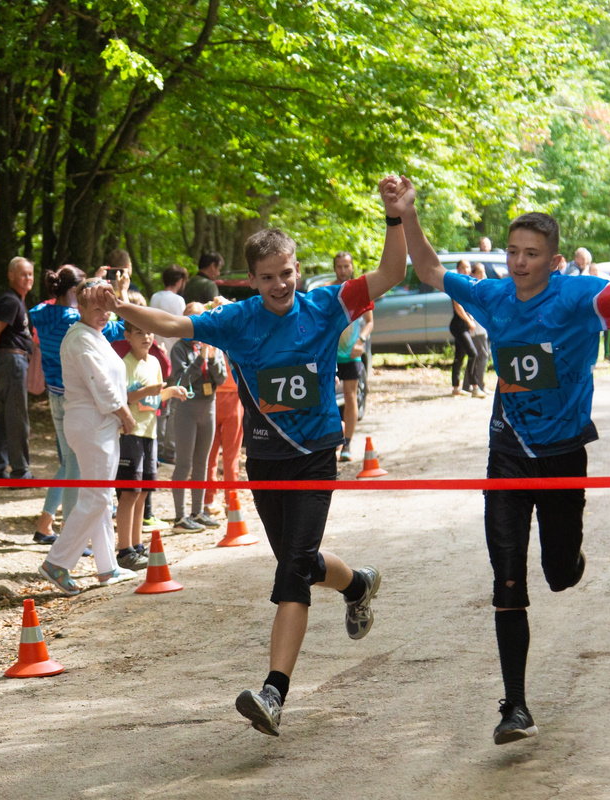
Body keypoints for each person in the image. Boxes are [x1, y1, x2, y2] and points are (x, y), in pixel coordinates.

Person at [394, 172, 610, 745]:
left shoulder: (577, 295)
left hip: (564, 452)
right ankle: (515, 707)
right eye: (514, 252)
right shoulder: (493, 295)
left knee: (559, 573)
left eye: (531, 255)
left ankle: (570, 560)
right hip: (509, 454)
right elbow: (426, 270)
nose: (518, 263)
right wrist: (407, 212)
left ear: (555, 260)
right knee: (508, 577)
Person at [87, 185, 410, 737]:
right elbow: (170, 327)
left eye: (286, 273)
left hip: (313, 458)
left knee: (292, 571)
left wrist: (394, 216)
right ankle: (357, 585)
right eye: (267, 277)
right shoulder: (237, 319)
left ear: (297, 269)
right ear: (253, 280)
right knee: (299, 561)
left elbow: (391, 273)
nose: (279, 284)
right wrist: (121, 306)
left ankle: (273, 693)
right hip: (265, 460)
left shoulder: (326, 304)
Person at [37, 278, 140, 595]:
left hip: (98, 423)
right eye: (95, 308)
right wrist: (125, 414)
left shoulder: (94, 335)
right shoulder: (80, 338)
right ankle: (57, 562)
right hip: (92, 423)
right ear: (79, 307)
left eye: (106, 309)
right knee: (96, 496)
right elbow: (101, 385)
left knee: (101, 495)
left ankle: (107, 566)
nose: (103, 314)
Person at [115, 319, 188, 568]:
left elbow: (156, 397)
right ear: (128, 336)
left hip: (150, 434)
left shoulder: (155, 362)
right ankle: (124, 550)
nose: (145, 337)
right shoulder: (124, 364)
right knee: (129, 492)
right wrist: (149, 391)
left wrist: (173, 391)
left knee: (143, 491)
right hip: (130, 433)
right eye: (138, 332)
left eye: (148, 332)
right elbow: (123, 398)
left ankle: (137, 545)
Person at [29, 265, 88, 545]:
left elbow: (43, 308)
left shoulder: (41, 314)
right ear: (74, 291)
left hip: (54, 395)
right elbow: (112, 327)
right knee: (74, 467)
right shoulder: (74, 320)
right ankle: (70, 537)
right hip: (73, 398)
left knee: (67, 464)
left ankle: (45, 524)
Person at [168, 303, 228, 532]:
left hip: (209, 406)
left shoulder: (212, 344)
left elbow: (221, 379)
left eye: (200, 320)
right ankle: (180, 517)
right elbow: (181, 381)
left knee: (203, 461)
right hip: (186, 408)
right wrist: (200, 359)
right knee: (184, 462)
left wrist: (211, 358)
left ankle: (198, 511)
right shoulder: (179, 348)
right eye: (192, 320)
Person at [0, 256, 36, 480]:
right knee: (17, 417)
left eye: (30, 274)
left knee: (7, 415)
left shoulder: (18, 301)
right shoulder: (10, 301)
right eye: (23, 274)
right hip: (12, 362)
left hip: (14, 362)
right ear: (11, 275)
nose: (28, 278)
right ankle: (21, 471)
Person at [331, 252, 374, 459]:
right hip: (329, 355)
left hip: (351, 353)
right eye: (339, 266)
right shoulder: (329, 290)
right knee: (326, 399)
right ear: (334, 268)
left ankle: (347, 445)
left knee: (350, 396)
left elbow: (370, 322)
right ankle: (331, 442)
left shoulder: (359, 291)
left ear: (352, 267)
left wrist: (361, 341)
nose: (342, 270)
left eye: (346, 266)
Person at [150, 265, 188, 466]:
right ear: (180, 281)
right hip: (175, 356)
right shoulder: (179, 301)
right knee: (173, 403)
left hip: (156, 354)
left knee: (157, 401)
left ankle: (154, 447)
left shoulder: (155, 297)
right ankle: (169, 448)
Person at [203, 354, 243, 516]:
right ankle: (231, 501)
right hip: (232, 399)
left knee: (208, 455)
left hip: (210, 398)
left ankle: (208, 501)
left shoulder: (210, 337)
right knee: (231, 456)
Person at [449, 260, 480, 397]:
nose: (466, 270)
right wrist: (469, 321)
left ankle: (456, 388)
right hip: (458, 325)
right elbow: (457, 306)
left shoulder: (467, 284)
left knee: (459, 356)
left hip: (463, 325)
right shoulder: (457, 284)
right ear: (458, 269)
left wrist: (471, 316)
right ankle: (474, 387)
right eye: (463, 267)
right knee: (473, 353)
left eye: (468, 267)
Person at [466, 263, 492, 395]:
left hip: (483, 325)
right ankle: (480, 384)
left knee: (476, 355)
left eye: (483, 272)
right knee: (483, 355)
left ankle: (467, 384)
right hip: (478, 326)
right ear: (473, 274)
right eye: (480, 272)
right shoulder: (473, 287)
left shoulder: (481, 287)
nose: (483, 275)